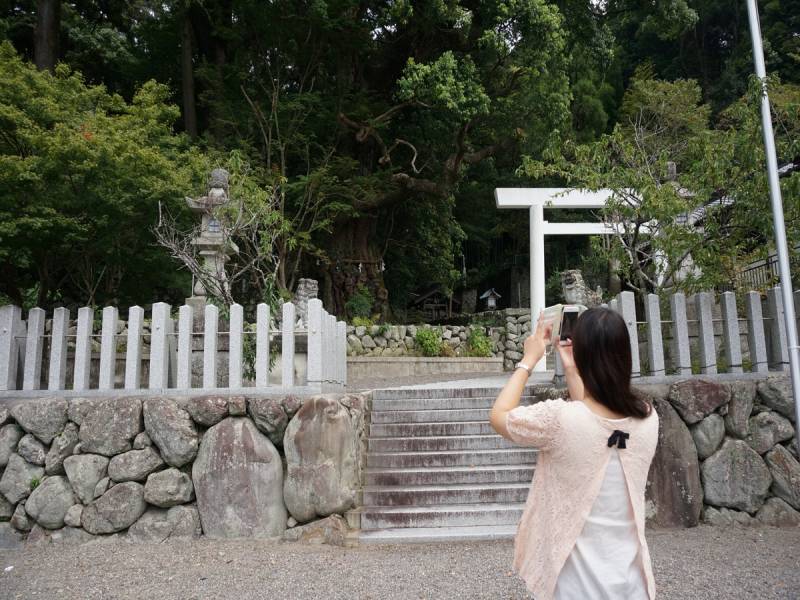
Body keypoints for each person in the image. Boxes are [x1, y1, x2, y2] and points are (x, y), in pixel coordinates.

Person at [490, 307, 659, 600]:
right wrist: (570, 367)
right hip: (633, 585)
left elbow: (499, 416)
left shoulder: (559, 419)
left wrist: (528, 360)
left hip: (575, 586)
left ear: (584, 356)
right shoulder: (648, 418)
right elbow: (594, 421)